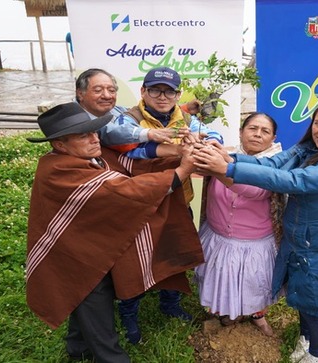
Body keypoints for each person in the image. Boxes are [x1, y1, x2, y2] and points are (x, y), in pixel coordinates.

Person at [26, 102, 204, 362]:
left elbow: (135, 167)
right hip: (75, 258)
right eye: (83, 135)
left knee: (82, 299)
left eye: (95, 131)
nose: (94, 139)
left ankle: (78, 349)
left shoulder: (88, 156)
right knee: (95, 307)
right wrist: (182, 170)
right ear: (60, 145)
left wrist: (178, 154)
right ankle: (111, 358)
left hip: (89, 248)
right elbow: (124, 191)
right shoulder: (58, 170)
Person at [194, 100, 318, 363]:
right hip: (302, 238)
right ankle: (305, 340)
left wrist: (227, 169)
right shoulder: (308, 149)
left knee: (316, 305)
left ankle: (317, 356)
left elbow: (293, 180)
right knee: (304, 296)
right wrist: (229, 158)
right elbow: (273, 166)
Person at [74, 67, 221, 344]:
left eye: (169, 91)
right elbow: (123, 141)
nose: (162, 96)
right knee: (135, 262)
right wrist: (161, 142)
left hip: (177, 199)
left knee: (175, 253)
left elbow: (211, 133)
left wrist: (209, 142)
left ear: (178, 95)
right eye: (155, 90)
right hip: (140, 204)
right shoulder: (127, 118)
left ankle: (170, 303)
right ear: (143, 92)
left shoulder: (185, 118)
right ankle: (130, 314)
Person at [194, 112, 284, 337]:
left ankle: (257, 314)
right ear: (241, 132)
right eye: (252, 128)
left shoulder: (277, 164)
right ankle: (227, 311)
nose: (257, 134)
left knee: (255, 284)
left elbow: (256, 190)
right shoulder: (224, 155)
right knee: (219, 278)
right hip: (218, 236)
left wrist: (220, 169)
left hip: (255, 242)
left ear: (273, 139)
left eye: (265, 131)